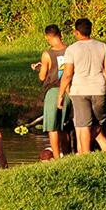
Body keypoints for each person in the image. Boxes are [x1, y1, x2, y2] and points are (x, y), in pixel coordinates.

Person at [57, 17, 106, 154]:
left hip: (79, 90)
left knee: (84, 125)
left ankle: (85, 155)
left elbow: (68, 74)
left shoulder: (72, 49)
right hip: (99, 89)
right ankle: (95, 152)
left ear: (77, 32)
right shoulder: (102, 46)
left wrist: (61, 94)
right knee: (98, 123)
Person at [33, 25, 71, 158]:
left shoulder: (47, 54)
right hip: (68, 91)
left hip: (53, 91)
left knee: (52, 127)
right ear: (61, 34)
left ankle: (56, 157)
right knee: (64, 126)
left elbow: (43, 76)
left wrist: (39, 68)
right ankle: (67, 154)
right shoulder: (70, 50)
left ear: (47, 38)